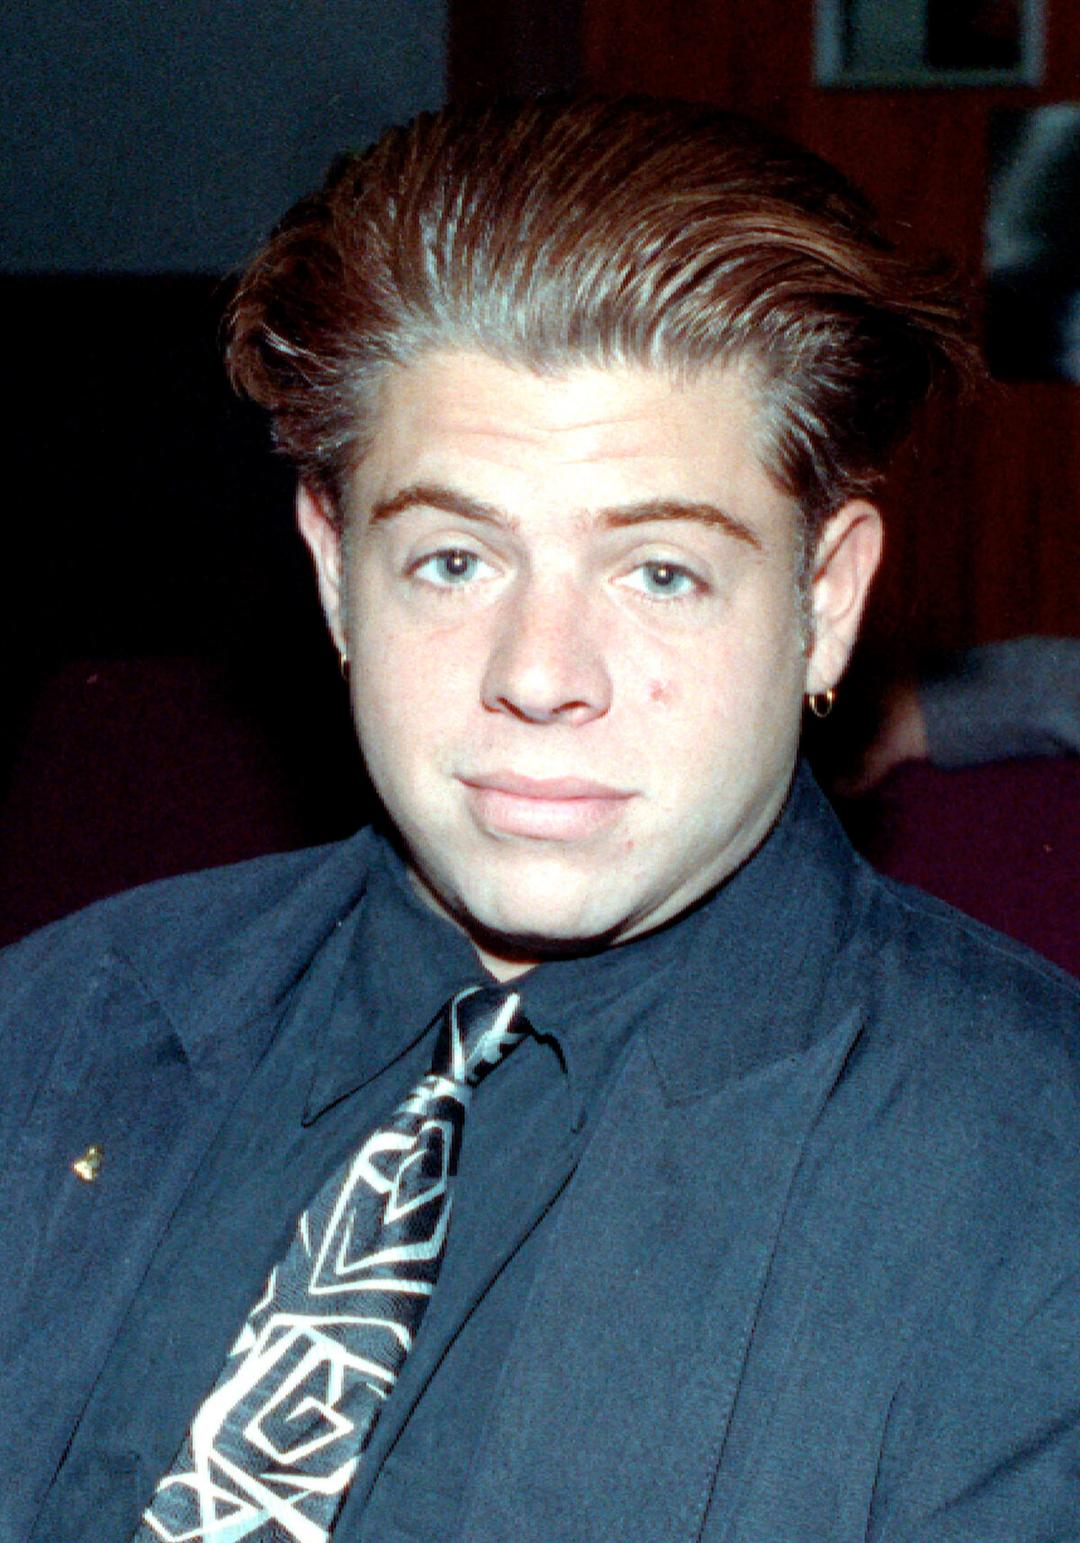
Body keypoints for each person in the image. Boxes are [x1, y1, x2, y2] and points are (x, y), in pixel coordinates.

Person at [2, 97, 1077, 1543]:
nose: (538, 677)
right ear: (334, 570)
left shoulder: (1033, 1202)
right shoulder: (64, 1018)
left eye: (662, 574)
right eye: (453, 560)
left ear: (826, 601)